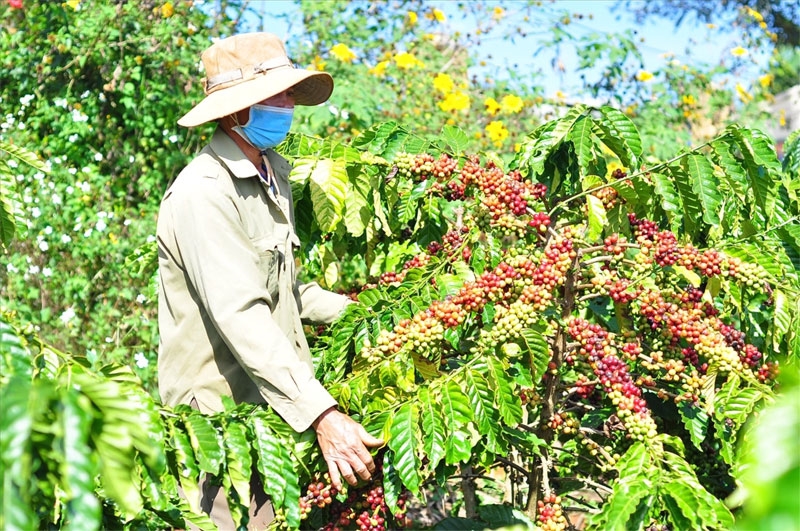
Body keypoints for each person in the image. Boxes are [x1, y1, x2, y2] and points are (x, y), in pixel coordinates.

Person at [157, 32, 383, 529]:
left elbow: (284, 290)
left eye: (288, 94)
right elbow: (242, 314)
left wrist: (368, 314)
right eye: (276, 96)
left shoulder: (273, 175)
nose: (289, 106)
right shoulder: (204, 193)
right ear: (236, 112)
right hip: (220, 428)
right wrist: (322, 414)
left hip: (273, 410)